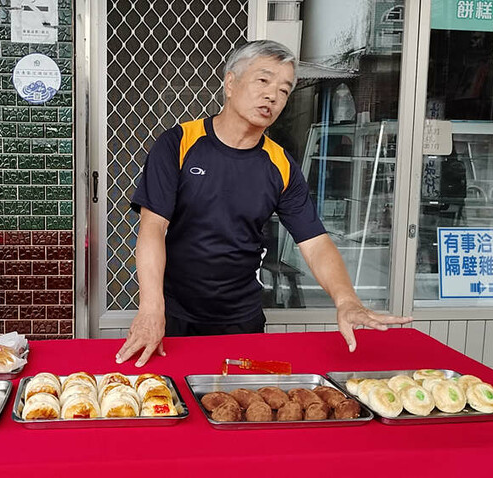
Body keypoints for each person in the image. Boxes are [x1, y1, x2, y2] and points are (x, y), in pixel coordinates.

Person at [115, 40, 411, 367]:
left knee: (239, 411)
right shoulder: (178, 144)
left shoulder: (280, 165)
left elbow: (315, 242)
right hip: (172, 314)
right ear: (230, 83)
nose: (273, 95)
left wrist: (347, 300)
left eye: (284, 90)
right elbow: (153, 226)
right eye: (263, 81)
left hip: (241, 319)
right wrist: (151, 308)